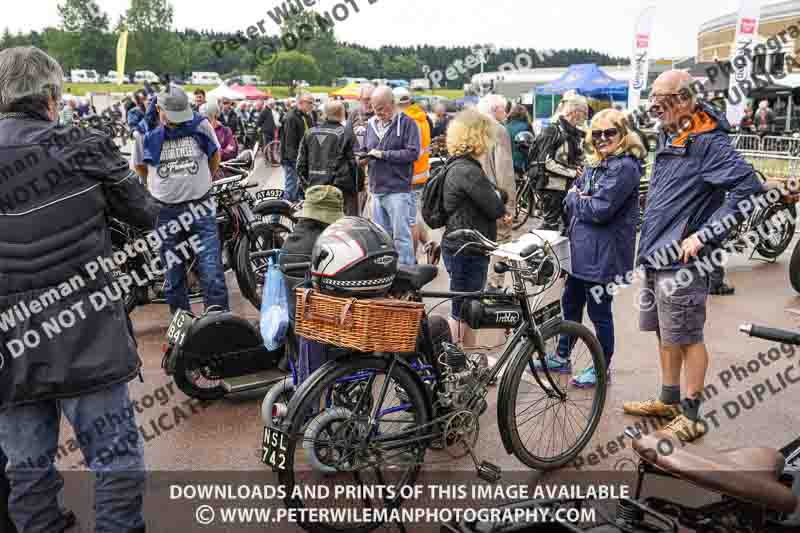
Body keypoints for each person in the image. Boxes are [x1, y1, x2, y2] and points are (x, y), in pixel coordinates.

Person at [0, 46, 158, 533]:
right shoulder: (84, 144)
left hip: (12, 344)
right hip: (86, 332)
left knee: (25, 466)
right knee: (115, 460)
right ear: (52, 95)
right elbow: (146, 213)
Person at [625, 70, 764, 441]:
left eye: (662, 98)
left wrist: (706, 233)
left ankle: (692, 415)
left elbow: (749, 189)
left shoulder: (708, 142)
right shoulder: (670, 132)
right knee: (666, 332)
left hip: (683, 261)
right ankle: (669, 400)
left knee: (688, 335)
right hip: (658, 253)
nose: (653, 106)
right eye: (652, 96)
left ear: (685, 100)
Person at [536, 108, 645, 387]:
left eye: (610, 132)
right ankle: (562, 356)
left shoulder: (624, 167)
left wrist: (576, 199)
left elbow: (599, 209)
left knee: (599, 314)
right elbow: (573, 198)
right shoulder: (598, 163)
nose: (602, 138)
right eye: (596, 134)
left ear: (624, 134)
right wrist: (578, 197)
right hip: (582, 251)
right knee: (570, 303)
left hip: (603, 256)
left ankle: (601, 369)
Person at [132, 84, 230, 314]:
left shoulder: (201, 125)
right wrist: (160, 186)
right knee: (174, 273)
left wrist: (201, 181)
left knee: (211, 270)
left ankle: (218, 322)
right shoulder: (144, 134)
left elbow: (214, 156)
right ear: (158, 109)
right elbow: (140, 166)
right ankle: (182, 326)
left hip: (201, 206)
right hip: (165, 212)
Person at [441, 109, 508, 343]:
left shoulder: (457, 165)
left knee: (466, 307)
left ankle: (466, 360)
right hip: (467, 248)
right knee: (462, 310)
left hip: (458, 244)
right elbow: (496, 207)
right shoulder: (468, 170)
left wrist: (497, 195)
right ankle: (453, 362)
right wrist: (500, 196)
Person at [363, 85, 421, 266]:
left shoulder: (408, 123)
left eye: (381, 108)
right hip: (376, 188)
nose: (377, 112)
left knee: (401, 237)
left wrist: (383, 154)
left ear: (392, 103)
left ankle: (407, 275)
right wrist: (362, 158)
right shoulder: (371, 124)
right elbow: (365, 149)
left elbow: (413, 154)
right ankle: (387, 273)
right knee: (382, 238)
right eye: (374, 108)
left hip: (397, 189)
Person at [395, 87, 439, 263]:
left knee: (409, 222)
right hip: (421, 174)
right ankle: (429, 243)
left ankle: (410, 261)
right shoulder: (423, 118)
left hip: (408, 176)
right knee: (413, 216)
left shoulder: (407, 121)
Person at [476, 93, 516, 290]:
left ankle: (479, 286)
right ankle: (494, 287)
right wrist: (509, 207)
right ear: (494, 110)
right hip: (494, 196)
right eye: (503, 108)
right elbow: (505, 172)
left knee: (479, 241)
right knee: (501, 240)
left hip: (474, 197)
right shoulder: (498, 130)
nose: (506, 112)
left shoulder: (472, 129)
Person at [532, 95, 587, 231]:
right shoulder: (553, 130)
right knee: (550, 226)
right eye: (584, 113)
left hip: (563, 186)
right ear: (575, 112)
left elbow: (572, 157)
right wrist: (573, 172)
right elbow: (545, 161)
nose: (586, 117)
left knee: (565, 225)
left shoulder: (572, 133)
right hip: (551, 187)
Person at [296, 100, 360, 216]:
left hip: (314, 189)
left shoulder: (309, 133)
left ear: (324, 114)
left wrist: (307, 187)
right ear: (342, 113)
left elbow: (300, 165)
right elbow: (354, 164)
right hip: (338, 192)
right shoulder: (346, 133)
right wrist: (356, 188)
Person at [346, 84, 375, 215]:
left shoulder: (379, 114)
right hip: (357, 165)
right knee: (357, 203)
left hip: (375, 165)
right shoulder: (354, 114)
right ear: (359, 99)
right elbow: (346, 137)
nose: (369, 102)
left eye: (371, 99)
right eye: (366, 99)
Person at [280, 92, 315, 202]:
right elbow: (290, 144)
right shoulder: (291, 117)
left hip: (303, 159)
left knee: (301, 191)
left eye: (313, 103)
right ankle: (275, 217)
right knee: (290, 190)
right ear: (300, 102)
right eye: (309, 102)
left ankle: (297, 217)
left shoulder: (307, 116)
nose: (312, 105)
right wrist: (297, 162)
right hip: (292, 160)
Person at [506, 104, 533, 175]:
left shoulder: (505, 127)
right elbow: (532, 145)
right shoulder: (527, 126)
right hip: (521, 164)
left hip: (507, 163)